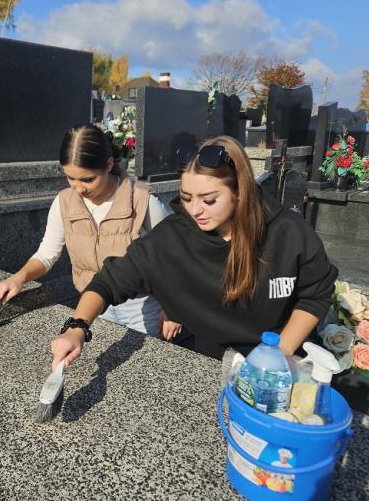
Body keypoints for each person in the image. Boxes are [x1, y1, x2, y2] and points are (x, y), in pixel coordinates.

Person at [51, 135, 338, 368]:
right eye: (186, 197)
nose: (195, 209)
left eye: (209, 199)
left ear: (240, 191)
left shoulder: (287, 232)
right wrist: (77, 327)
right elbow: (109, 281)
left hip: (278, 365)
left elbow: (315, 293)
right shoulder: (173, 237)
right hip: (205, 362)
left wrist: (279, 355)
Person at [0, 123, 173, 336]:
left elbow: (174, 255)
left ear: (109, 164)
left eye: (88, 179)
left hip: (141, 307)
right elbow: (47, 255)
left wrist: (172, 309)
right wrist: (18, 278)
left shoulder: (142, 200)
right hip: (91, 304)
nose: (78, 188)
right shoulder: (64, 202)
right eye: (70, 178)